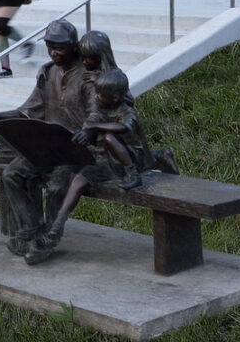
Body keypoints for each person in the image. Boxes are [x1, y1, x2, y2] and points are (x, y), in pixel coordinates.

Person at [25, 67, 179, 266]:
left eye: (101, 94)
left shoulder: (125, 111)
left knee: (109, 137)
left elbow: (124, 127)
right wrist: (85, 133)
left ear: (115, 98)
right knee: (79, 181)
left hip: (123, 160)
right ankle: (57, 226)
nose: (96, 96)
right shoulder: (100, 105)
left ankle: (135, 172)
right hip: (103, 161)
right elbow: (92, 121)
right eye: (96, 92)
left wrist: (96, 128)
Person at [0, 18, 93, 255]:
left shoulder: (88, 77)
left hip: (77, 150)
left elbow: (97, 118)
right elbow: (27, 109)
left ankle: (48, 239)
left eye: (60, 47)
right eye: (49, 47)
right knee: (12, 174)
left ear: (74, 46)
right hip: (48, 146)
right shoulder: (48, 73)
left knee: (56, 186)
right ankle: (29, 233)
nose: (54, 53)